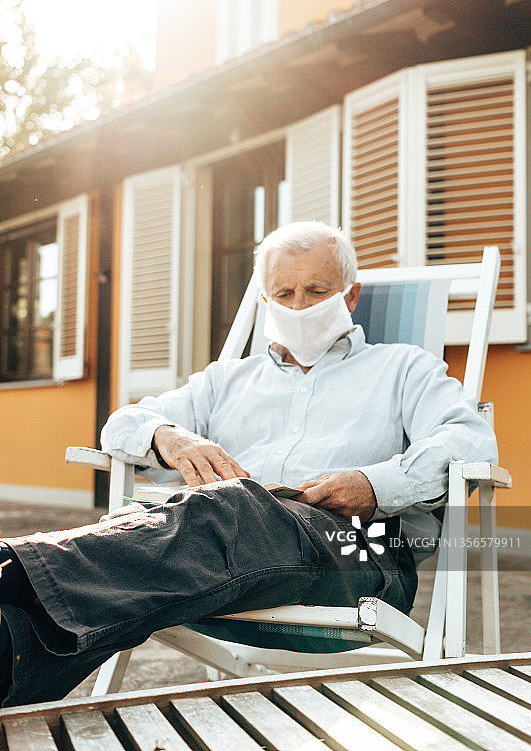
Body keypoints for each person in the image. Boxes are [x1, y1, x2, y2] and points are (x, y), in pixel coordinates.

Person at [0, 221, 497, 706]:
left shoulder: (405, 368)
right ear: (266, 303)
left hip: (358, 548)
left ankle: (11, 567)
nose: (299, 305)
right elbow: (125, 422)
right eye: (284, 294)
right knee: (151, 561)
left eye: (316, 289)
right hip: (208, 555)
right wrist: (168, 437)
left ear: (350, 296)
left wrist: (375, 483)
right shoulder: (226, 380)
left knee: (217, 511)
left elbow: (470, 440)